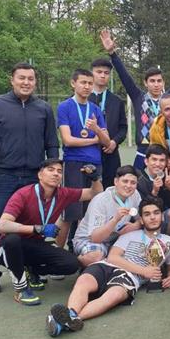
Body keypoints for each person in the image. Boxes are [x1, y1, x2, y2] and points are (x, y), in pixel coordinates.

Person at [0, 62, 59, 295]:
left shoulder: (43, 108)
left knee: (33, 226)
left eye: (30, 79)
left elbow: (52, 143)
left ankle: (32, 271)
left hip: (34, 176)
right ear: (12, 80)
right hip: (5, 175)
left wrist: (53, 170)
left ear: (35, 82)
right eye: (21, 78)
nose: (26, 82)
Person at [45, 198, 170, 337]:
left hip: (130, 277)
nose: (152, 217)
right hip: (107, 266)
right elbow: (113, 257)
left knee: (115, 295)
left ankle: (66, 320)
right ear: (141, 220)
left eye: (156, 213)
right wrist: (144, 271)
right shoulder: (130, 235)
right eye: (147, 214)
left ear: (162, 216)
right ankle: (70, 318)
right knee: (83, 281)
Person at [0, 158, 103, 306]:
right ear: (40, 175)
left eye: (59, 171)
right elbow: (1, 225)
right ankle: (21, 289)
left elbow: (95, 192)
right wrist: (37, 228)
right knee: (12, 240)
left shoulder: (63, 193)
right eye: (51, 170)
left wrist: (95, 178)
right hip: (9, 248)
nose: (56, 174)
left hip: (35, 245)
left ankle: (32, 270)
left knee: (71, 264)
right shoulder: (23, 194)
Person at [100, 29, 170, 169]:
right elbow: (124, 76)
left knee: (167, 182)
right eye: (152, 81)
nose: (156, 84)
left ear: (163, 83)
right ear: (146, 83)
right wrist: (112, 53)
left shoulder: (169, 99)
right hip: (143, 152)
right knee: (138, 181)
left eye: (159, 81)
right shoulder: (138, 97)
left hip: (164, 151)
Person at [57, 68, 111, 249]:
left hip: (95, 165)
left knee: (91, 213)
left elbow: (107, 141)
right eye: (83, 82)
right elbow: (68, 140)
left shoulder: (95, 109)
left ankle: (83, 252)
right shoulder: (65, 107)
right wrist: (94, 140)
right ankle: (57, 254)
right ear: (73, 83)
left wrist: (96, 129)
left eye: (90, 83)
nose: (87, 86)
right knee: (69, 214)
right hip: (73, 164)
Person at [72, 165, 143, 267]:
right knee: (95, 256)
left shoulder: (135, 194)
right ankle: (78, 262)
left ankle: (106, 262)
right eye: (125, 181)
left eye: (133, 183)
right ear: (116, 181)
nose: (129, 186)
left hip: (115, 239)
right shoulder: (101, 200)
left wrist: (136, 225)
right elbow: (95, 238)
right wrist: (115, 220)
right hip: (89, 239)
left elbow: (142, 218)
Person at [88, 58, 129, 188]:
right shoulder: (82, 99)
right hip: (88, 152)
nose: (102, 75)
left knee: (111, 190)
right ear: (92, 73)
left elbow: (123, 128)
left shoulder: (117, 101)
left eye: (106, 73)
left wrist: (114, 142)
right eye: (99, 72)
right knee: (88, 190)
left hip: (110, 154)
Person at [136, 145, 170, 235]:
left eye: (161, 160)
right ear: (146, 161)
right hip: (141, 218)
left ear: (166, 163)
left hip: (160, 217)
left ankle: (168, 240)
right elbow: (141, 208)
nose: (158, 164)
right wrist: (154, 192)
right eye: (154, 159)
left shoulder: (166, 178)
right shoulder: (138, 178)